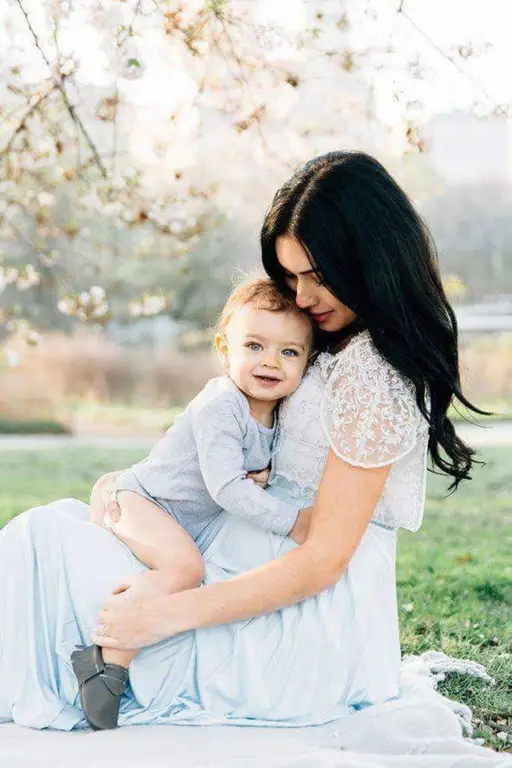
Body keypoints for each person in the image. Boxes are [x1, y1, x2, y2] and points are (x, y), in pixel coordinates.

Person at [0, 150, 484, 734]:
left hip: (290, 627)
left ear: (369, 256)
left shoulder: (372, 374)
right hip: (230, 574)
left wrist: (164, 618)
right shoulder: (336, 340)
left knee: (43, 543)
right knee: (55, 535)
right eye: (292, 277)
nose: (303, 297)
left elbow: (324, 559)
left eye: (318, 275)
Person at [73, 276, 314, 729]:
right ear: (225, 349)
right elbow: (225, 487)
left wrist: (258, 478)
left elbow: (242, 469)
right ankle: (106, 660)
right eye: (255, 346)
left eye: (289, 352)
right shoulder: (222, 404)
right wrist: (293, 522)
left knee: (189, 567)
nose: (270, 362)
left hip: (179, 515)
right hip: (144, 501)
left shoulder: (276, 410)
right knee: (185, 570)